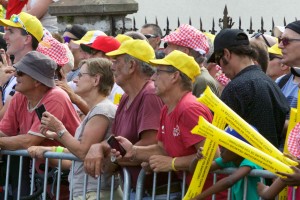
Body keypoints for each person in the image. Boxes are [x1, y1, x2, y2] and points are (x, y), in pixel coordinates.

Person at [110, 50, 227, 199]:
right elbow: (162, 149)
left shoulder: (189, 108)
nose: (153, 77)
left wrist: (172, 163)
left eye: (159, 72)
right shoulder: (167, 108)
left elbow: (212, 157)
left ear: (175, 76)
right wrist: (134, 151)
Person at [27, 58, 123, 200]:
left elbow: (82, 152)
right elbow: (80, 154)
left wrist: (59, 129)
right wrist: (56, 136)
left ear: (96, 80)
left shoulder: (103, 110)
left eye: (80, 75)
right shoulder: (98, 109)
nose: (75, 80)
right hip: (88, 190)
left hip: (94, 192)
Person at [84, 39, 165, 199]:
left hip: (153, 193)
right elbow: (117, 140)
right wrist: (98, 147)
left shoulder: (149, 94)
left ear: (132, 65)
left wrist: (112, 160)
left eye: (116, 61)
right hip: (135, 190)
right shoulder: (125, 97)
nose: (112, 66)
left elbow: (151, 143)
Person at [0, 51, 80, 198]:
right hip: (46, 178)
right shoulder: (19, 96)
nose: (15, 75)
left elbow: (29, 141)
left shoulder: (56, 97)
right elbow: (5, 132)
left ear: (37, 81)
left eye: (21, 73)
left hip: (72, 180)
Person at [208, 28, 289, 148]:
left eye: (217, 60)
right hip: (272, 163)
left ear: (226, 54)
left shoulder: (234, 89)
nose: (219, 67)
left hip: (241, 164)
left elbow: (220, 138)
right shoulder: (273, 85)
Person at [190, 126, 263, 200]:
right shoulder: (231, 160)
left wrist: (197, 198)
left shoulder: (251, 160)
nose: (221, 149)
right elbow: (196, 170)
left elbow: (229, 181)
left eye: (225, 146)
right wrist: (197, 158)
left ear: (240, 149)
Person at [0, 12, 43, 118]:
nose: (5, 37)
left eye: (11, 32)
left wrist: (0, 85)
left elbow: (3, 119)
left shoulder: (29, 75)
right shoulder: (15, 71)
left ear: (27, 39)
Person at [162, 24, 220, 97]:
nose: (165, 51)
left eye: (169, 45)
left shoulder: (202, 81)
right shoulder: (191, 77)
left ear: (185, 52)